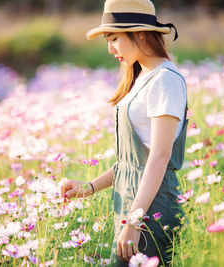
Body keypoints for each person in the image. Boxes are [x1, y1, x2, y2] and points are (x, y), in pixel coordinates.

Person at [60, 0, 188, 266]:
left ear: (140, 33)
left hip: (152, 212)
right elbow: (130, 162)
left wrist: (134, 221)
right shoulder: (143, 76)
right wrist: (90, 187)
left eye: (114, 38)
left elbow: (159, 159)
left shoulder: (165, 80)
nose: (110, 49)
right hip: (134, 207)